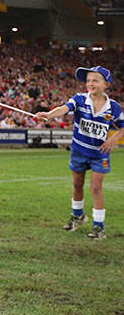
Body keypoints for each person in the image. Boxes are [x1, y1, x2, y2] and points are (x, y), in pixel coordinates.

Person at [35, 66, 124, 239]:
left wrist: (113, 139)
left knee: (96, 187)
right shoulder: (79, 100)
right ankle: (78, 216)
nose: (91, 83)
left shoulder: (113, 107)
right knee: (77, 184)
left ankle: (99, 227)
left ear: (106, 84)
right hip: (79, 150)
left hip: (99, 153)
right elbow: (64, 108)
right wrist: (49, 114)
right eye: (88, 80)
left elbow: (122, 126)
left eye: (95, 80)